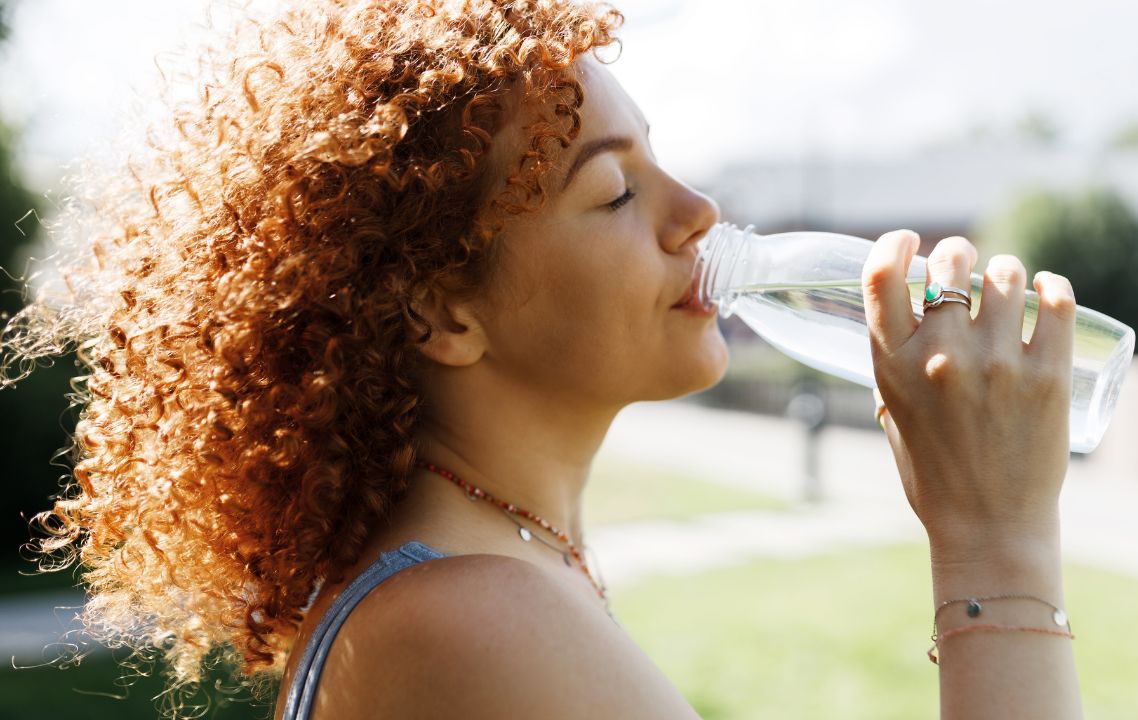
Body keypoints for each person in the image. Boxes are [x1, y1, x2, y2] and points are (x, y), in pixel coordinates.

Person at [3, 1, 1083, 717]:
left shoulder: (489, 582)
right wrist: (994, 541)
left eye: (657, 161)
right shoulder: (465, 619)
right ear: (442, 312)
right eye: (613, 191)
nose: (696, 211)